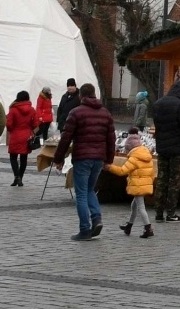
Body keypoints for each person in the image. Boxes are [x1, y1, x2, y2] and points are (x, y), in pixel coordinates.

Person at [53, 82, 115, 240]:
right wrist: (109, 159)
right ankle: (96, 217)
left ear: (81, 96)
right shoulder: (105, 113)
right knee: (89, 189)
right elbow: (111, 139)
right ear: (94, 94)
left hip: (82, 157)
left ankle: (85, 229)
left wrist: (58, 158)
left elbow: (65, 138)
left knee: (81, 193)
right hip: (99, 158)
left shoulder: (76, 113)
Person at [151, 80, 180, 223]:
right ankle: (171, 213)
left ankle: (158, 213)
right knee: (174, 180)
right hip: (177, 147)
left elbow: (156, 124)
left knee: (161, 179)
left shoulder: (158, 103)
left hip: (162, 146)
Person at [106, 127, 155, 238]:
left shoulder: (134, 158)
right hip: (143, 184)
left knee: (141, 208)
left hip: (137, 185)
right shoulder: (146, 154)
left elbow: (122, 171)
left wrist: (109, 167)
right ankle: (129, 226)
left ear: (130, 147)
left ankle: (148, 228)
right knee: (134, 206)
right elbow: (152, 173)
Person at [5, 90, 37, 187]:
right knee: (24, 158)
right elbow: (35, 124)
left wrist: (11, 129)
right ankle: (20, 177)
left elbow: (9, 125)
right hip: (26, 136)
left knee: (13, 157)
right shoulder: (32, 110)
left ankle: (16, 176)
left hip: (15, 135)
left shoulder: (13, 109)